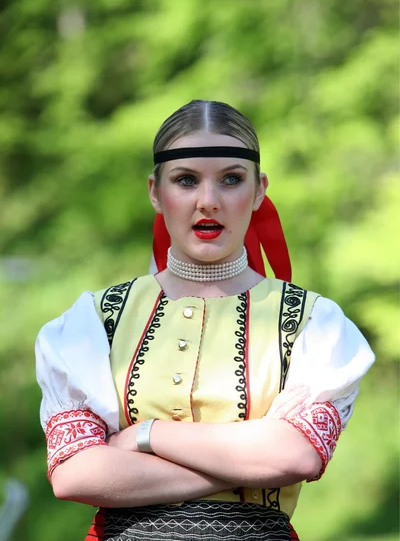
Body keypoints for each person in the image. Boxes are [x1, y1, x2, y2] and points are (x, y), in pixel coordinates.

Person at [35, 100, 375, 541]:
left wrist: (145, 435)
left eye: (231, 180)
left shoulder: (314, 323)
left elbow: (299, 458)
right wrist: (254, 458)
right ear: (156, 192)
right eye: (186, 180)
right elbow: (73, 474)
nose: (208, 201)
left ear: (259, 190)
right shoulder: (93, 321)